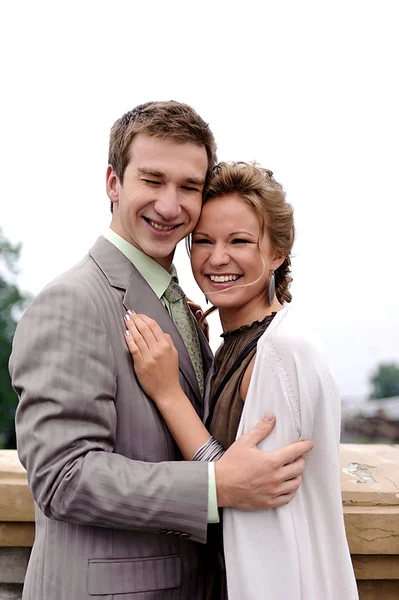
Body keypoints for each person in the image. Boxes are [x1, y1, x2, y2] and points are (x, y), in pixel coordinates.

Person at [9, 103, 313, 600]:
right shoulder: (73, 301)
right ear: (113, 183)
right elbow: (63, 476)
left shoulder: (178, 304)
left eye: (189, 187)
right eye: (152, 180)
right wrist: (217, 487)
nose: (170, 207)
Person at [124, 162, 359, 599]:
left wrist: (168, 393)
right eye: (204, 241)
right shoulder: (238, 343)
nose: (217, 258)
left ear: (276, 253)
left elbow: (249, 494)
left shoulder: (282, 351)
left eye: (240, 241)